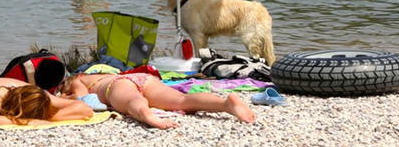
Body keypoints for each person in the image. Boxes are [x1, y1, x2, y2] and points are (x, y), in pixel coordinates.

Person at [59, 72, 255, 129]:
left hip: (116, 86)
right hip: (143, 78)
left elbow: (85, 98)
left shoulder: (77, 79)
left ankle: (146, 115)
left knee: (132, 100)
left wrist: (66, 95)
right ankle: (225, 104)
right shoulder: (103, 73)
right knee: (181, 99)